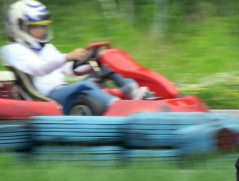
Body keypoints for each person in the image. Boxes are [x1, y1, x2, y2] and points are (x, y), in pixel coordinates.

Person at [1, 0, 145, 114]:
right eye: (35, 27)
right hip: (47, 96)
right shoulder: (12, 50)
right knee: (86, 85)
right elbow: (39, 70)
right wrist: (67, 57)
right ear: (19, 27)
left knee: (107, 67)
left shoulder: (46, 47)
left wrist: (91, 60)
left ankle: (136, 93)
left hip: (63, 89)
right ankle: (119, 107)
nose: (40, 31)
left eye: (43, 26)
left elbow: (70, 70)